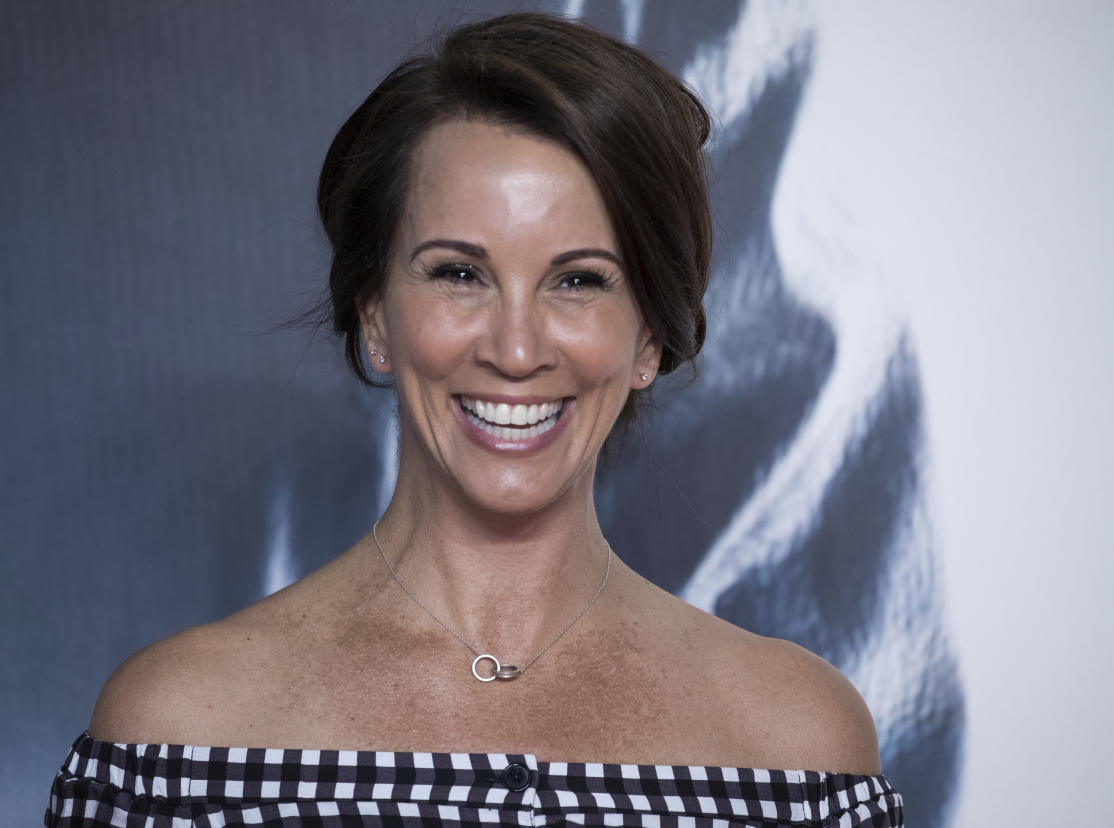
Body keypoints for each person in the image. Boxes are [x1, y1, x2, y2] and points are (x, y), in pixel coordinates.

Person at [47, 13, 902, 826]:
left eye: (579, 280)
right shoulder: (176, 736)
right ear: (375, 315)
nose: (516, 347)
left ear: (650, 336)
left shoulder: (799, 747)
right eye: (460, 272)